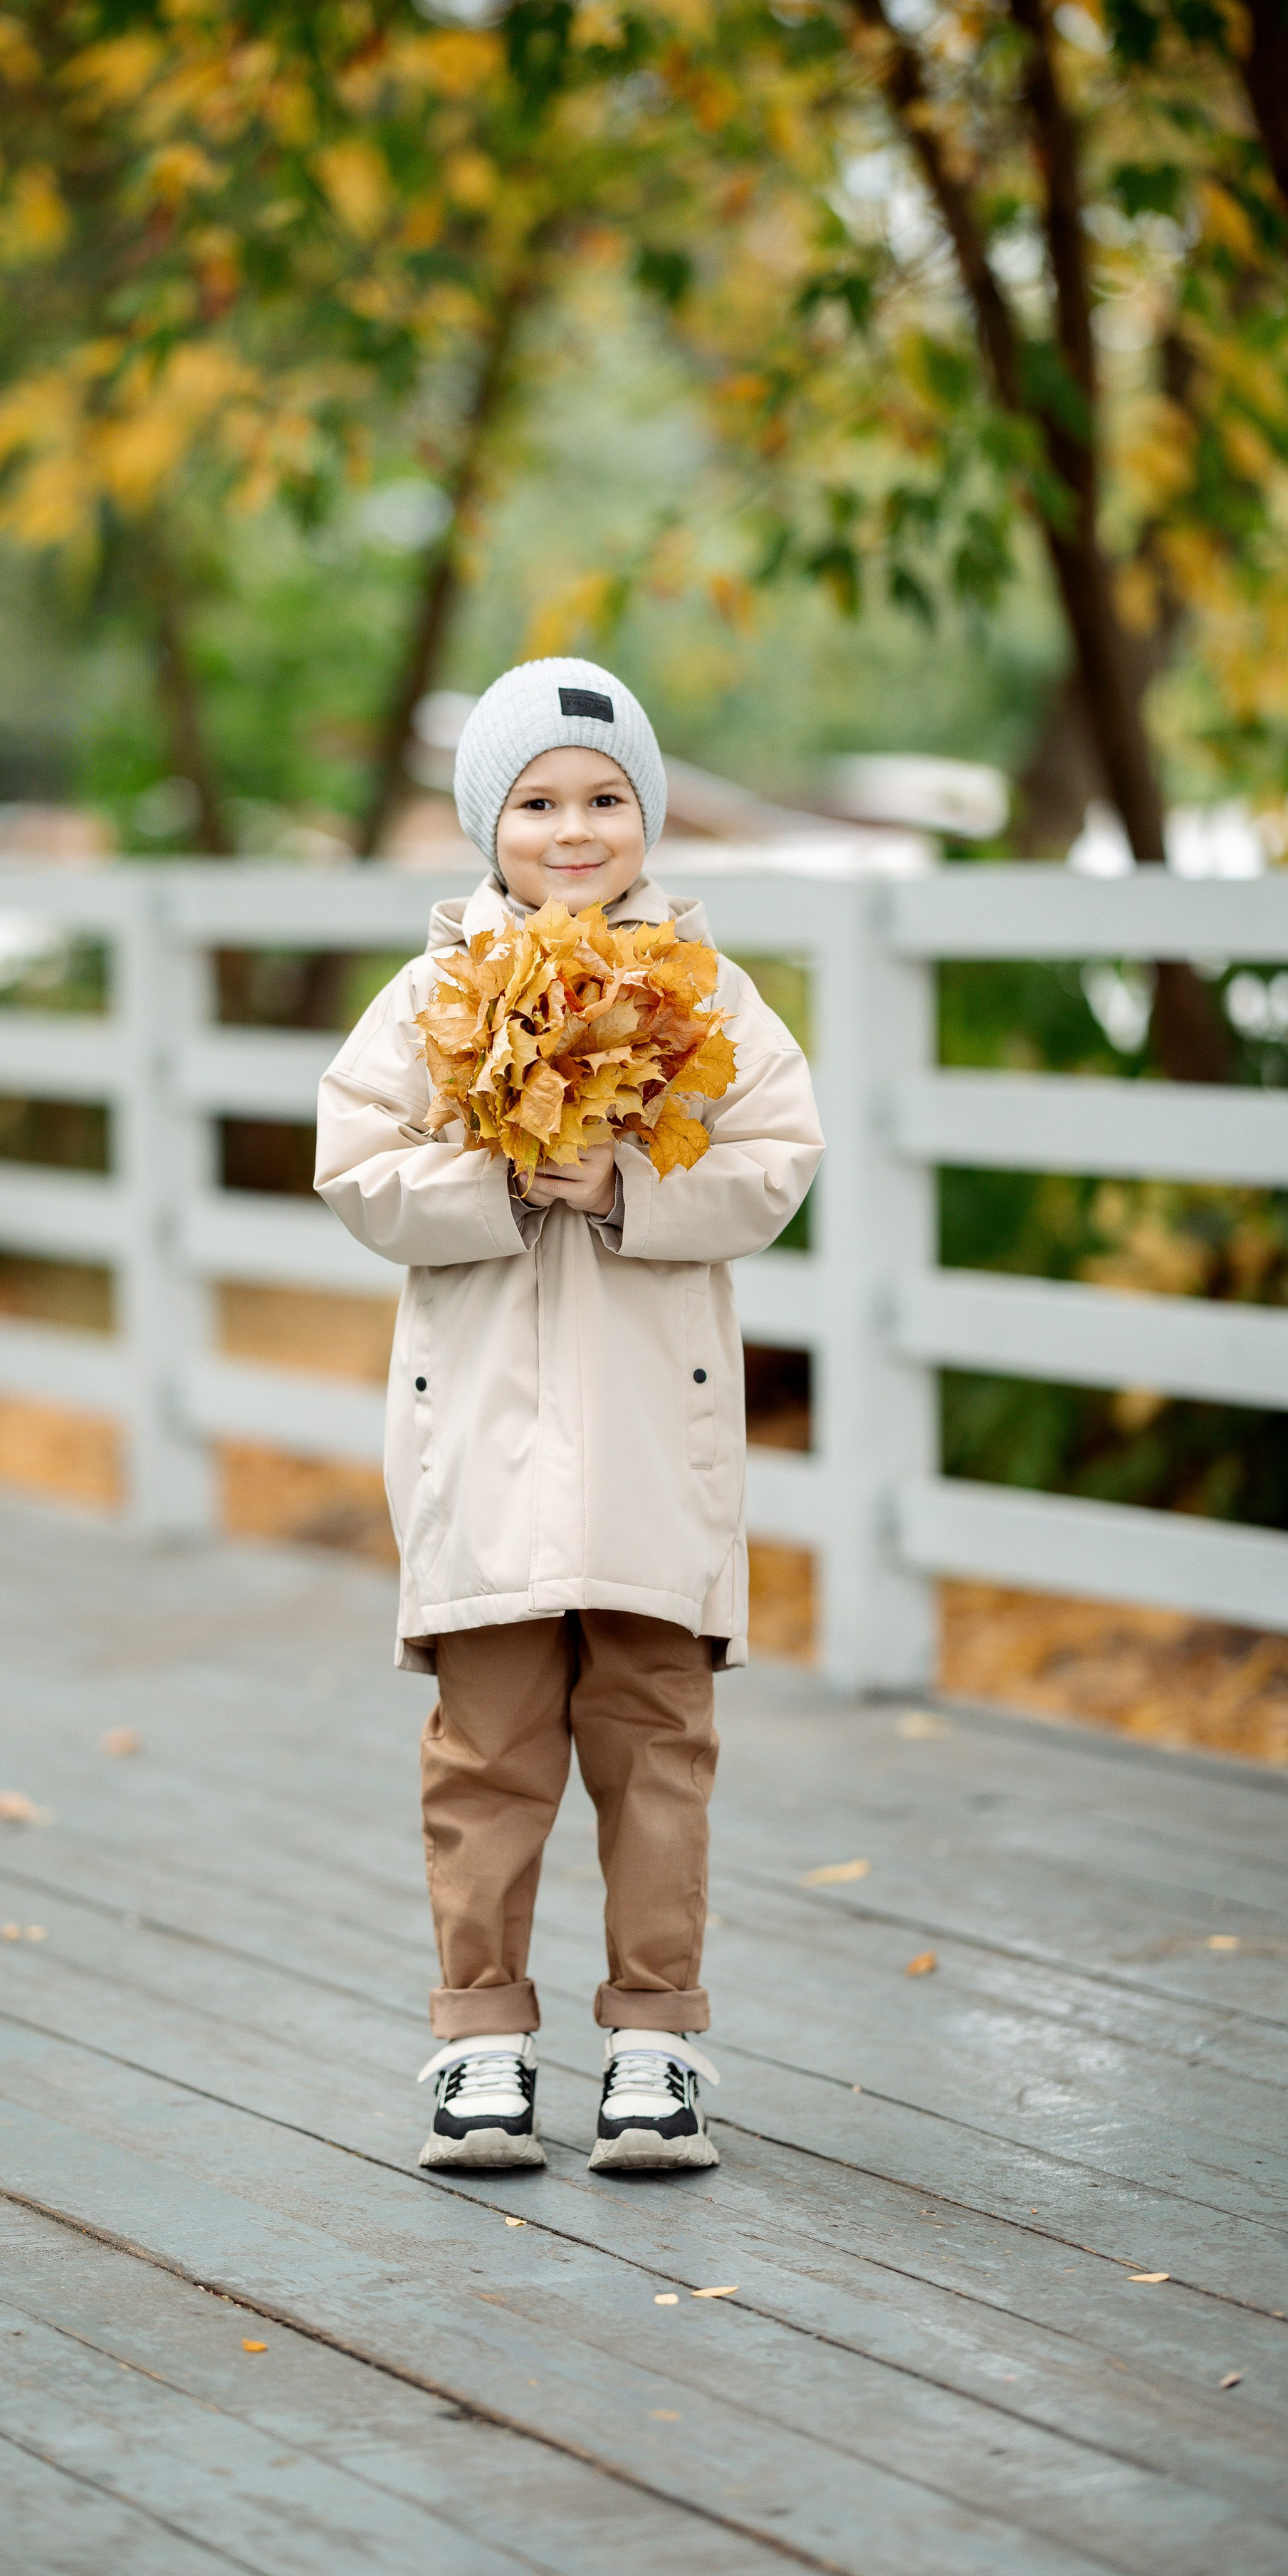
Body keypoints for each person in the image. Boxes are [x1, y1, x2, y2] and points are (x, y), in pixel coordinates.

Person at [315, 656, 823, 2174]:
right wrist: (490, 1179)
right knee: (487, 1737)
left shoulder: (705, 990)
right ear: (489, 824)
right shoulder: (429, 994)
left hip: (652, 1435)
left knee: (656, 1728)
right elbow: (357, 1165)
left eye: (604, 798)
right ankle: (479, 2036)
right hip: (481, 1431)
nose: (574, 826)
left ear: (646, 817)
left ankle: (654, 2036)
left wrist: (628, 1185)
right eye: (537, 801)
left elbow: (773, 1153)